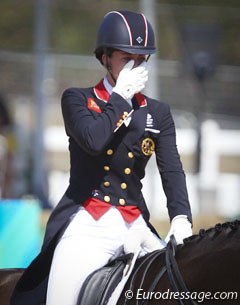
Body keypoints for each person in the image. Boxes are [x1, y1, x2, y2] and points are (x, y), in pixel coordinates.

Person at [11, 10, 193, 305]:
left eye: (142, 60)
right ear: (105, 58)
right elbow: (94, 140)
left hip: (135, 225)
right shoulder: (78, 99)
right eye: (127, 59)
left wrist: (181, 217)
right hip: (88, 222)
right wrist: (120, 97)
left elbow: (172, 170)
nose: (136, 68)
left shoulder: (158, 113)